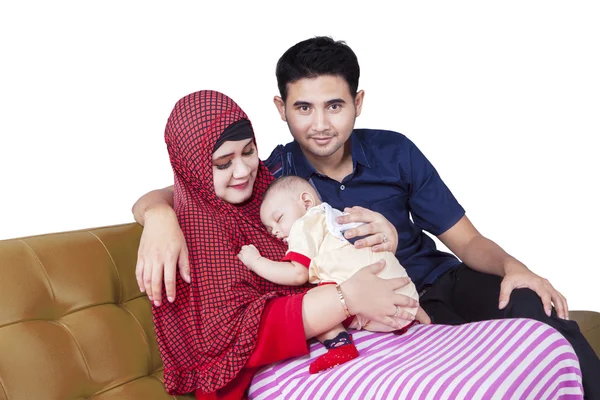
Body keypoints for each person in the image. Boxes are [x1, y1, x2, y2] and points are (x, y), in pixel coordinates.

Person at [134, 37, 599, 397]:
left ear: (358, 101)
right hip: (388, 310)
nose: (320, 124)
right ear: (281, 110)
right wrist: (157, 215)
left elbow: (468, 241)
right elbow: (190, 184)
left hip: (440, 278)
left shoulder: (394, 151)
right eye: (303, 108)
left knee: (537, 314)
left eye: (335, 105)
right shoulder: (273, 176)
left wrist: (514, 267)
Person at [237, 175, 419, 374]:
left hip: (371, 298)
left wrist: (256, 262)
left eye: (279, 219)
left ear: (306, 202)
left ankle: (341, 346)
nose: (276, 232)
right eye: (270, 230)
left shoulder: (305, 223)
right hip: (404, 297)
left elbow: (297, 274)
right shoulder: (332, 215)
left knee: (311, 301)